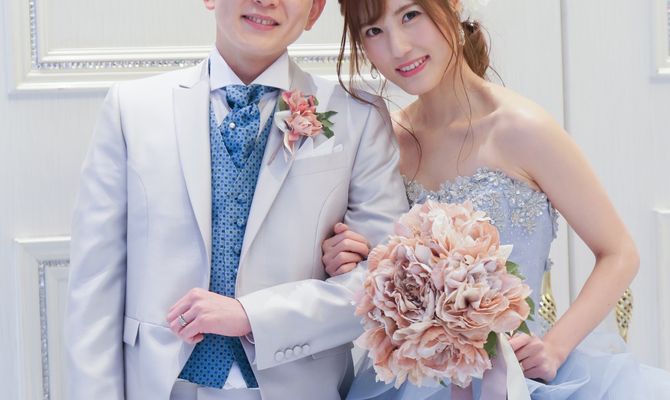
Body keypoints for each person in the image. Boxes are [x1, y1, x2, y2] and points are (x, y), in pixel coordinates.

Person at [323, 0, 670, 398]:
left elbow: (619, 253)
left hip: (516, 380)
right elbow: (385, 271)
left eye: (411, 15)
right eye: (373, 31)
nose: (398, 47)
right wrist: (351, 258)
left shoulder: (521, 129)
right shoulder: (385, 142)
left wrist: (555, 348)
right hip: (411, 384)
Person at [64, 0, 409, 399]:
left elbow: (383, 287)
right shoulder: (132, 109)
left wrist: (253, 316)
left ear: (314, 11)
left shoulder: (358, 116)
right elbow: (95, 285)